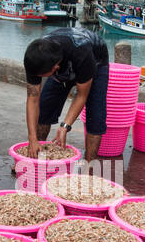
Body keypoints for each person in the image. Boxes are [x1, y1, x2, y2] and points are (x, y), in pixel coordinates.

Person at [23, 29, 110, 162]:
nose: (38, 78)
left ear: (55, 69)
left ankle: (88, 167)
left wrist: (65, 126)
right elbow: (33, 98)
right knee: (45, 107)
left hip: (96, 62)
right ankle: (36, 155)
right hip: (63, 60)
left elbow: (81, 95)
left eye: (41, 76)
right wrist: (32, 138)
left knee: (96, 115)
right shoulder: (35, 58)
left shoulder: (82, 53)